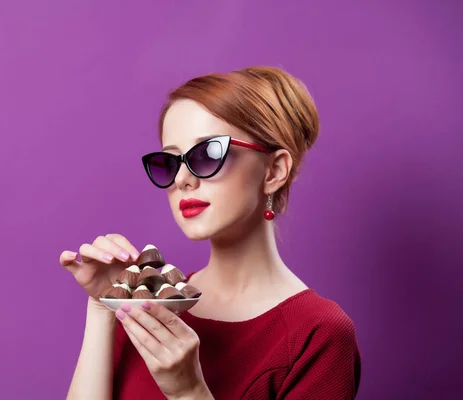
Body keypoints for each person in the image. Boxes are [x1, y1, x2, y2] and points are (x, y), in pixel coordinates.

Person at [60, 66, 361, 399]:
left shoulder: (319, 335)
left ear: (275, 170)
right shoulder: (153, 302)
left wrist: (189, 391)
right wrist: (103, 306)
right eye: (171, 162)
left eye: (208, 154)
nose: (182, 179)